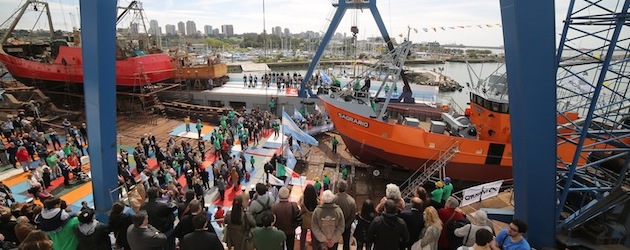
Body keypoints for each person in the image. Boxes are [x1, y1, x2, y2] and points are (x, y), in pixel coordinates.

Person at [333, 180, 356, 250]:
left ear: (338, 188)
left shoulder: (333, 199)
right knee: (346, 243)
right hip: (346, 225)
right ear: (346, 188)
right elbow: (353, 215)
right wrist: (347, 225)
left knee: (334, 244)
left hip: (335, 225)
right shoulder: (351, 201)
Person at [299, 184, 319, 250]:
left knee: (303, 235)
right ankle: (314, 247)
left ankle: (302, 247)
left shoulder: (302, 199)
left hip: (304, 220)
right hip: (313, 221)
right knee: (314, 237)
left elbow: (301, 207)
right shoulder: (316, 201)